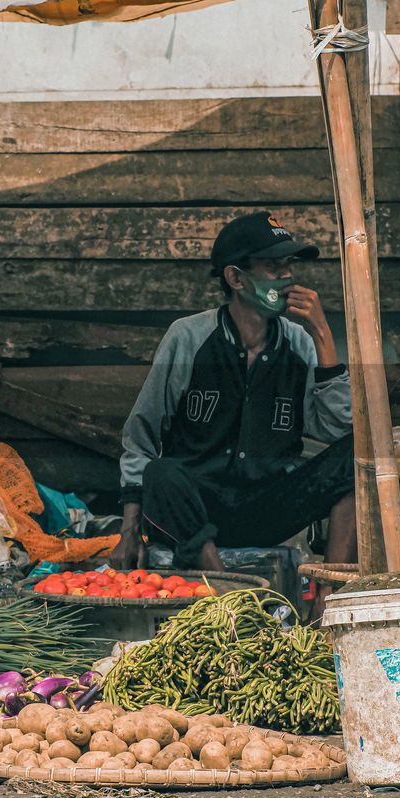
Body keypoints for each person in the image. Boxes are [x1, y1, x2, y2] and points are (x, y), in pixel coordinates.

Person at [111, 210, 355, 573]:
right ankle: (224, 587)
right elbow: (140, 440)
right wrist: (129, 531)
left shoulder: (298, 342)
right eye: (274, 266)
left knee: (358, 454)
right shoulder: (188, 337)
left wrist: (322, 336)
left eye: (289, 265)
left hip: (267, 508)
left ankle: (329, 597)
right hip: (194, 510)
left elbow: (336, 431)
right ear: (236, 278)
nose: (287, 276)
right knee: (160, 473)